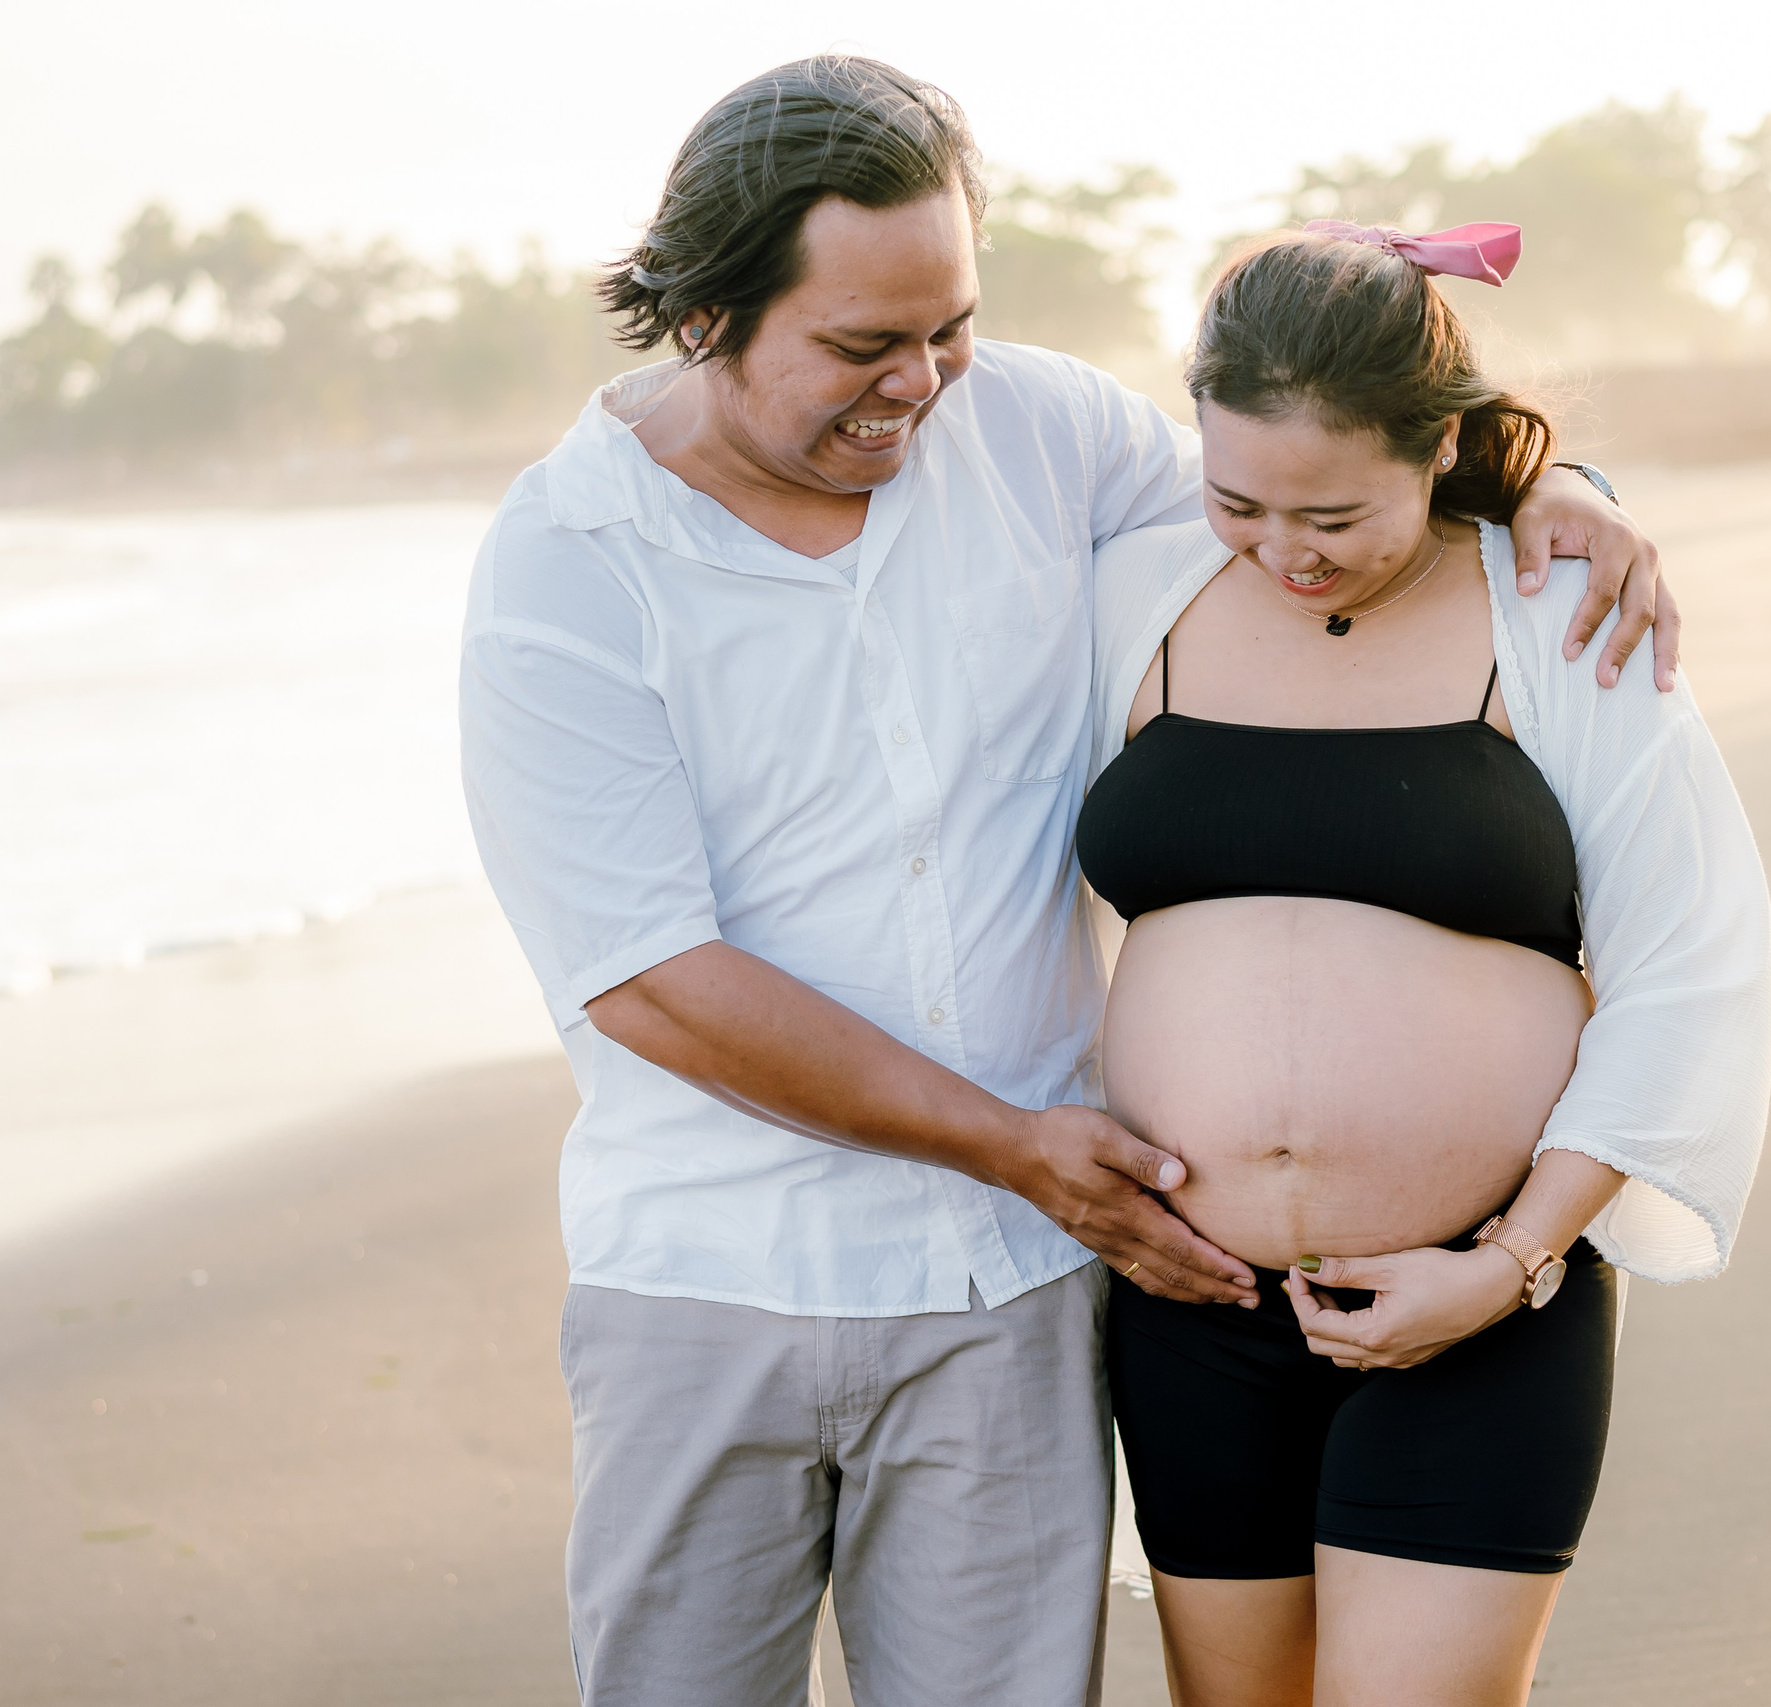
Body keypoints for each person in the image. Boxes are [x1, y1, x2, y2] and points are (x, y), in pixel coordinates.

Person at [456, 55, 1677, 1707]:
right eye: (862, 345)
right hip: (714, 1282)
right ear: (706, 311)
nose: (919, 383)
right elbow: (650, 978)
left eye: (948, 325)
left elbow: (1314, 480)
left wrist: (1550, 484)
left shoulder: (1039, 432)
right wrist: (1017, 1148)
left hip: (1012, 1299)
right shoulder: (569, 560)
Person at [1079, 223, 1771, 1707]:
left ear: (1441, 447)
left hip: (1481, 1304)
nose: (1286, 550)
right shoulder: (1130, 598)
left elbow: (1688, 964)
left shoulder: (1559, 616)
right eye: (1238, 502)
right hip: (1193, 1304)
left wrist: (1509, 1265)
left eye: (1334, 514)